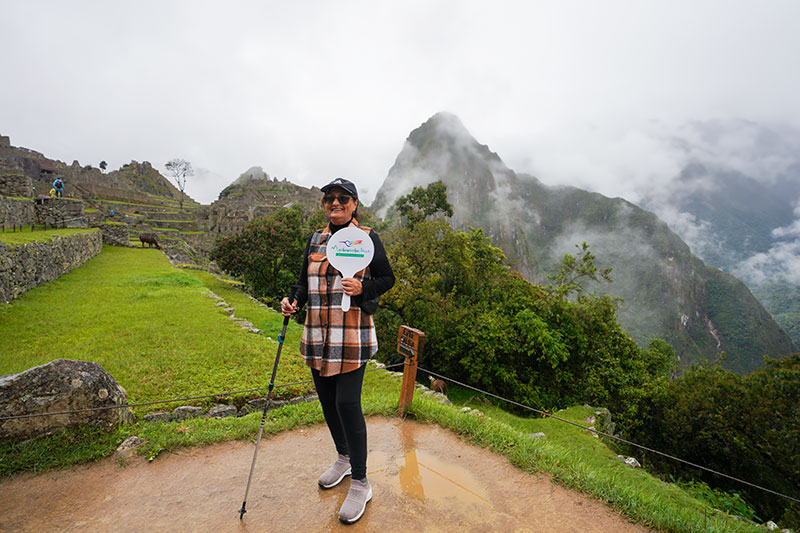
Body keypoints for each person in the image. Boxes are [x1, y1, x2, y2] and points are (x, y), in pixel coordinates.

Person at [281, 178, 395, 525]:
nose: (335, 203)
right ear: (324, 205)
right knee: (328, 404)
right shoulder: (315, 240)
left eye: (342, 198)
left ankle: (361, 481)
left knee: (347, 404)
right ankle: (343, 458)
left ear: (354, 204)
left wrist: (362, 287)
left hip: (351, 337)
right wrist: (293, 301)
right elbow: (303, 281)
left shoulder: (367, 237)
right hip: (317, 335)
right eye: (329, 198)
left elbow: (387, 279)